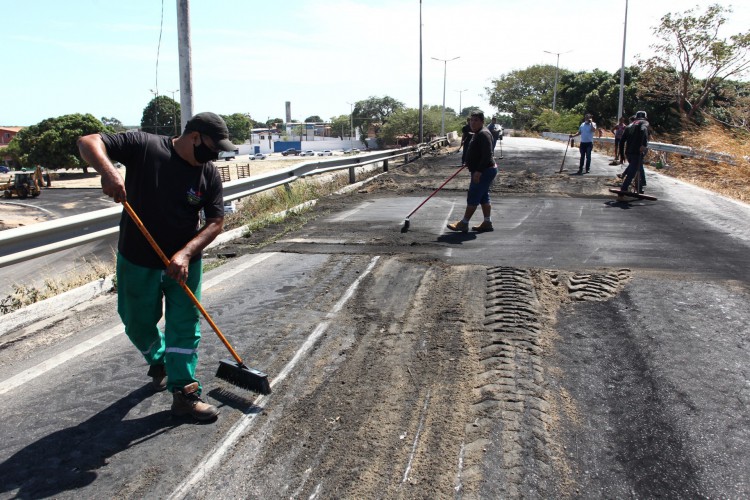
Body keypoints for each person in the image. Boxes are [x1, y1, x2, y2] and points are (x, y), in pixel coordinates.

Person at [77, 112, 236, 422]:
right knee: (136, 321)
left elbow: (216, 222)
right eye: (213, 147)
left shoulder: (209, 174)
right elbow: (88, 141)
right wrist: (108, 171)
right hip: (138, 259)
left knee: (184, 325)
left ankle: (185, 393)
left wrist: (186, 254)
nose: (215, 155)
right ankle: (158, 357)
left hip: (184, 265)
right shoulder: (144, 146)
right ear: (194, 137)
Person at [447, 110, 498, 233]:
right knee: (483, 197)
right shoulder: (478, 132)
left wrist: (479, 171)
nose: (473, 123)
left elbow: (487, 155)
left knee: (473, 195)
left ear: (482, 121)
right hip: (484, 169)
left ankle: (464, 223)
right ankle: (487, 222)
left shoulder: (483, 134)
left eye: (476, 120)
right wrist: (470, 162)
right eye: (471, 120)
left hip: (484, 171)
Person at [617, 110, 650, 199]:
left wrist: (622, 155)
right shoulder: (644, 122)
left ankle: (639, 187)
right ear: (645, 117)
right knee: (632, 172)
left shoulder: (629, 125)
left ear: (635, 117)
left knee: (636, 167)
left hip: (628, 153)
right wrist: (643, 144)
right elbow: (643, 130)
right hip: (637, 152)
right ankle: (623, 190)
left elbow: (622, 141)